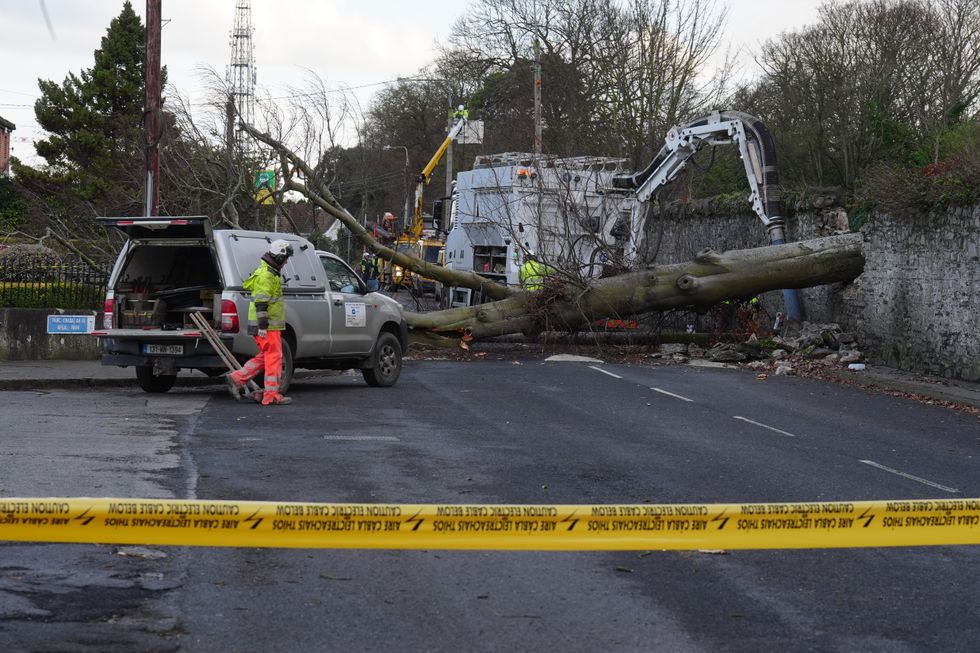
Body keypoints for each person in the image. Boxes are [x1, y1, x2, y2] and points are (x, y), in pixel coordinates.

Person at [226, 239, 294, 406]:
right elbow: (261, 303)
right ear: (278, 258)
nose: (286, 262)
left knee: (266, 357)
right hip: (267, 326)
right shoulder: (266, 276)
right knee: (274, 358)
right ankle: (271, 395)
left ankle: (236, 378)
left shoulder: (268, 273)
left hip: (268, 326)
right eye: (285, 259)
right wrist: (263, 327)